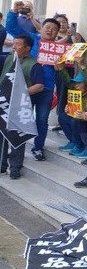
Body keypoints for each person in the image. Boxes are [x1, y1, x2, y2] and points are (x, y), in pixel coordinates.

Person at [0, 35, 46, 178]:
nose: (13, 47)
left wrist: (20, 93)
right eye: (13, 44)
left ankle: (15, 168)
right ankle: (2, 165)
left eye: (18, 45)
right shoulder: (8, 59)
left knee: (17, 137)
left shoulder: (34, 65)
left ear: (27, 48)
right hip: (4, 104)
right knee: (1, 135)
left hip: (21, 107)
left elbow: (39, 86)